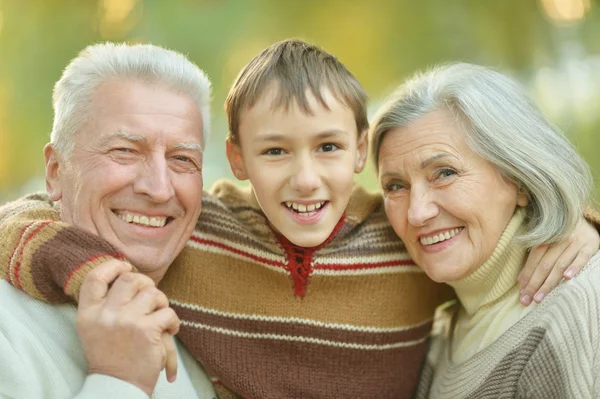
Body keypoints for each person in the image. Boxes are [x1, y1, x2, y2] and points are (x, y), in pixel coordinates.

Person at [0, 41, 598, 399]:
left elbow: (489, 229)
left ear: (359, 151)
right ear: (237, 157)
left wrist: (576, 222)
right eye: (275, 151)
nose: (305, 179)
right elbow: (26, 218)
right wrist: (100, 274)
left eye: (329, 149)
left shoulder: (403, 242)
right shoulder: (190, 232)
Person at [370, 62, 600, 398]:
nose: (417, 212)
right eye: (395, 186)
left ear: (520, 179)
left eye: (444, 172)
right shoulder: (439, 332)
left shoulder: (575, 313)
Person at [0, 43, 216, 398]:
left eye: (182, 159)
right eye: (125, 151)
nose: (160, 189)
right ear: (55, 172)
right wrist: (119, 380)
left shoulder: (211, 322)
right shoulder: (8, 329)